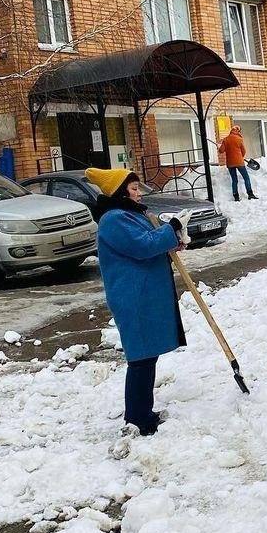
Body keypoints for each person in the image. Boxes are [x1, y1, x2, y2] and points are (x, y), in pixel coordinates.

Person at [86, 168, 194, 436]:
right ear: (119, 191)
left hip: (143, 293)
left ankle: (143, 411)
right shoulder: (113, 219)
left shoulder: (131, 215)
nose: (137, 193)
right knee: (141, 358)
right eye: (133, 188)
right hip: (133, 296)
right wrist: (171, 231)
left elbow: (149, 245)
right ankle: (137, 417)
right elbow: (142, 245)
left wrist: (173, 241)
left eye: (137, 188)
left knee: (147, 355)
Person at [222, 125, 256, 201]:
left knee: (234, 180)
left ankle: (236, 197)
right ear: (238, 131)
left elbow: (221, 150)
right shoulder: (239, 139)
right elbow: (243, 151)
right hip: (239, 162)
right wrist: (240, 157)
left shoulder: (225, 139)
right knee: (246, 178)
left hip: (230, 163)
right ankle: (250, 194)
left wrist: (219, 146)